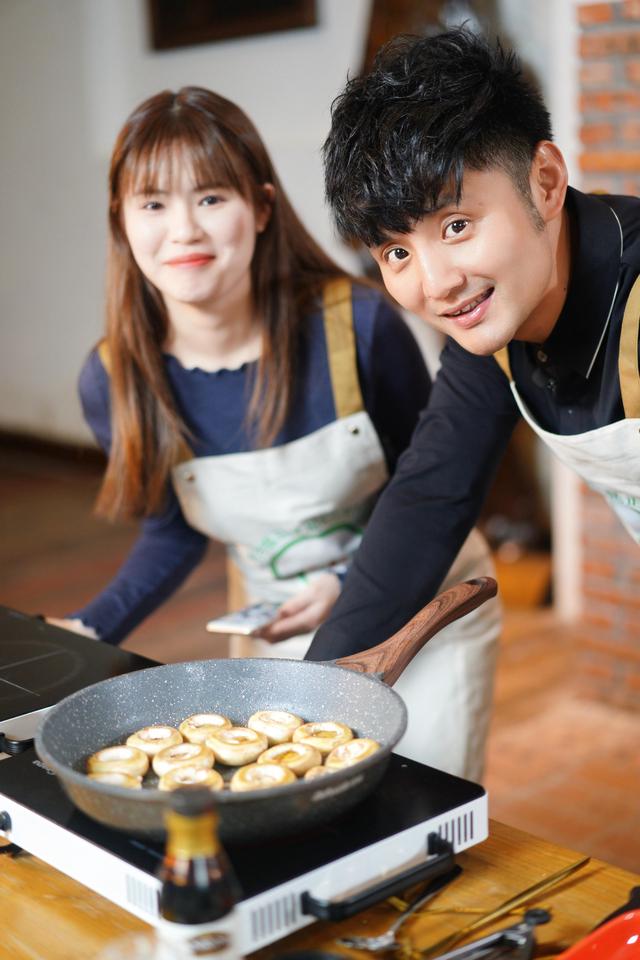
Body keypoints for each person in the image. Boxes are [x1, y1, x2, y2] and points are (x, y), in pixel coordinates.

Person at [46, 85, 500, 779]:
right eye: (153, 204)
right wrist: (86, 629)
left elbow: (435, 485)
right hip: (277, 641)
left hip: (423, 623)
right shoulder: (114, 378)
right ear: (121, 221)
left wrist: (346, 581)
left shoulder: (356, 325)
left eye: (210, 198)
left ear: (261, 208)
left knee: (414, 811)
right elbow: (172, 531)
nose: (184, 231)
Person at [307, 28, 640, 670]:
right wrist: (315, 694)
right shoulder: (494, 319)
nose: (436, 285)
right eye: (396, 252)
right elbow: (431, 495)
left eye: (456, 225)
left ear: (545, 181)